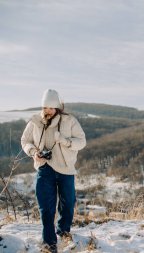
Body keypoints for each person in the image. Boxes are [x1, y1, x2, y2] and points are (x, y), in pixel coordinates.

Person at [21, 89, 86, 252]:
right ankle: (49, 244)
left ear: (57, 107)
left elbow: (82, 141)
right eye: (45, 107)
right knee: (46, 208)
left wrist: (65, 141)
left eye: (51, 107)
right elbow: (25, 140)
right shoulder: (35, 121)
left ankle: (63, 232)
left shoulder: (69, 120)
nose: (48, 110)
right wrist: (33, 152)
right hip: (44, 169)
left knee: (68, 205)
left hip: (66, 169)